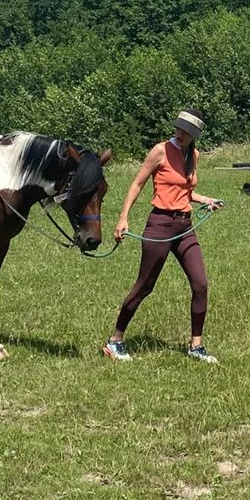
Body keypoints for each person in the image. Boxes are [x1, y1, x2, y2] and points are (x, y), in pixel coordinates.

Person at [104, 109, 222, 364]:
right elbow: (137, 183)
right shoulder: (160, 151)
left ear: (194, 136)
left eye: (186, 132)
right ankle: (115, 341)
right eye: (178, 128)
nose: (180, 134)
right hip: (160, 224)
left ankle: (196, 346)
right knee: (145, 286)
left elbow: (185, 190)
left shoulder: (194, 155)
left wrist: (205, 199)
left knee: (200, 284)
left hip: (185, 226)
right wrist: (123, 218)